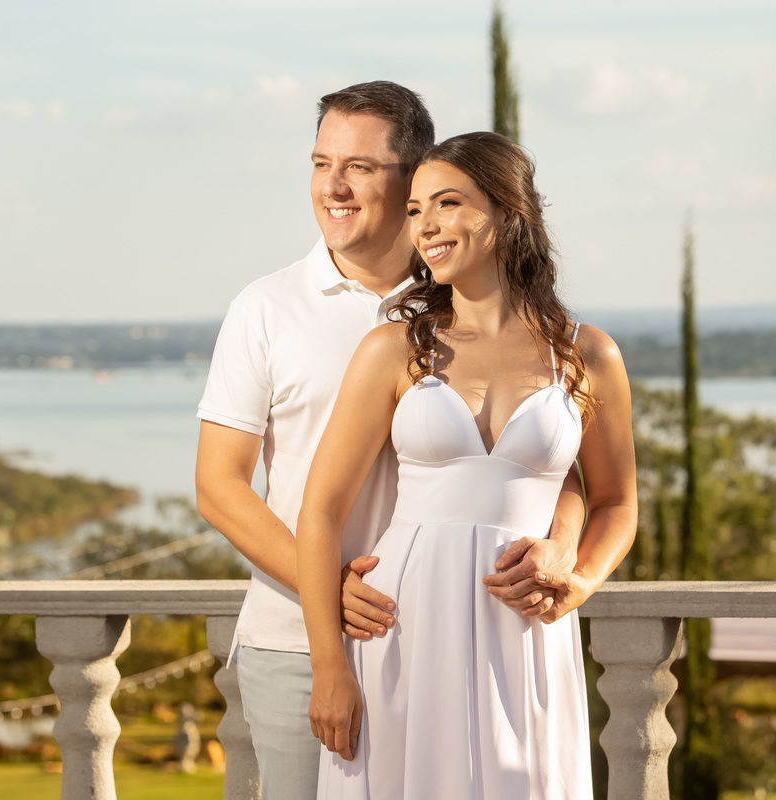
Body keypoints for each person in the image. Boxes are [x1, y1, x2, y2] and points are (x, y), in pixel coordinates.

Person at [196, 84, 589, 799]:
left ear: (415, 178)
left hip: (454, 638)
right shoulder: (265, 308)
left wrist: (562, 547)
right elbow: (218, 487)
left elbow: (547, 472)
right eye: (321, 164)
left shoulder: (467, 294)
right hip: (299, 640)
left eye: (359, 167)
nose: (333, 186)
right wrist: (329, 590)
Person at [297, 132, 638, 799]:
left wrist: (579, 577)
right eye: (415, 209)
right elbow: (321, 510)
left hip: (525, 628)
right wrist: (329, 667)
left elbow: (616, 501)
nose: (424, 224)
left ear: (508, 211)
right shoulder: (394, 348)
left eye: (447, 203)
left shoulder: (588, 355)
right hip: (404, 624)